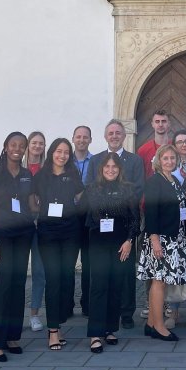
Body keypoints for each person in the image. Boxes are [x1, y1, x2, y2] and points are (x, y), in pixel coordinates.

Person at [0, 132, 35, 362]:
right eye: (13, 144)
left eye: (21, 146)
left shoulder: (26, 174)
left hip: (23, 234)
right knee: (3, 285)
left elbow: (32, 204)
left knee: (18, 284)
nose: (18, 148)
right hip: (1, 235)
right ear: (5, 146)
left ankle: (12, 336)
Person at [86, 119, 145, 329]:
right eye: (110, 133)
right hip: (101, 227)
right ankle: (102, 317)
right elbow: (92, 187)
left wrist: (120, 204)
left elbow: (138, 188)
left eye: (118, 133)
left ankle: (126, 312)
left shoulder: (135, 160)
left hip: (125, 221)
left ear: (124, 136)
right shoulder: (96, 161)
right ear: (105, 136)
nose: (114, 136)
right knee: (101, 278)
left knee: (125, 272)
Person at [31, 138, 84, 350]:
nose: (62, 155)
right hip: (48, 233)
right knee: (52, 278)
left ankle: (59, 322)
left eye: (66, 152)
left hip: (70, 232)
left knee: (66, 277)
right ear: (52, 152)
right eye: (58, 151)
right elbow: (33, 202)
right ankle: (53, 330)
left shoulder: (73, 175)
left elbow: (81, 198)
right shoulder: (41, 176)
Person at [84, 152, 140, 352]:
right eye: (107, 167)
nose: (110, 170)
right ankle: (95, 334)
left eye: (114, 167)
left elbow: (135, 218)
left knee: (116, 286)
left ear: (120, 169)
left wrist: (129, 241)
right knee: (99, 287)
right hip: (98, 244)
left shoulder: (129, 189)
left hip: (121, 245)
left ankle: (109, 329)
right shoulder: (91, 189)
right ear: (101, 169)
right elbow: (87, 217)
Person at [139, 144, 186, 341]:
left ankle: (151, 323)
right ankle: (160, 326)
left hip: (174, 238)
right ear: (158, 161)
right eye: (165, 158)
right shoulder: (155, 181)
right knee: (159, 282)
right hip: (160, 239)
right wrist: (155, 240)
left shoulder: (174, 180)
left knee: (158, 282)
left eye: (172, 158)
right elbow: (150, 212)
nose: (169, 161)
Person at [166, 129, 186, 329]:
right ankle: (174, 310)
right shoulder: (169, 166)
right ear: (174, 145)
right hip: (174, 224)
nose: (184, 145)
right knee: (175, 265)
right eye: (180, 142)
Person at [23, 131, 46, 332]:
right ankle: (14, 312)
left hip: (41, 223)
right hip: (20, 223)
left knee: (39, 271)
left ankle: (34, 314)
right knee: (18, 271)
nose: (37, 146)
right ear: (28, 145)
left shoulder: (47, 170)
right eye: (34, 143)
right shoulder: (17, 168)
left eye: (41, 143)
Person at [73, 125, 94, 317]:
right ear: (73, 139)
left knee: (88, 262)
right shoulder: (63, 159)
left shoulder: (95, 161)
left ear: (90, 140)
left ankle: (87, 303)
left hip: (88, 217)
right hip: (69, 217)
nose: (81, 140)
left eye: (85, 137)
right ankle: (66, 304)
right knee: (67, 261)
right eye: (78, 137)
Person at [137, 110, 172, 178]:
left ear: (169, 124)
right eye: (157, 121)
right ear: (152, 124)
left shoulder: (175, 147)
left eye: (164, 121)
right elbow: (140, 176)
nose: (160, 124)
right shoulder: (143, 150)